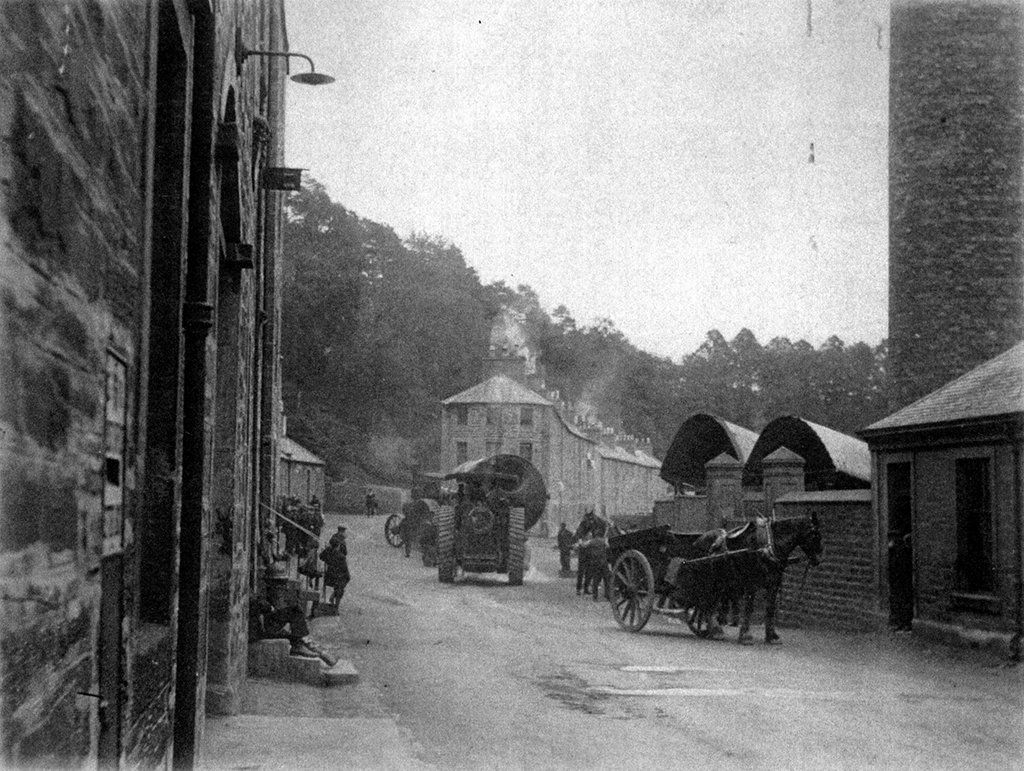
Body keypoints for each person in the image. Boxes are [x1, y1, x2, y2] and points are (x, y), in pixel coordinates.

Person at [249, 565, 333, 663]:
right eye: (277, 583)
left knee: (294, 634)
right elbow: (260, 605)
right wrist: (268, 607)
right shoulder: (264, 592)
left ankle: (314, 649)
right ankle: (300, 646)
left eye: (282, 583)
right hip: (260, 630)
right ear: (269, 581)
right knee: (295, 610)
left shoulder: (271, 592)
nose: (280, 586)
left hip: (265, 626)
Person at [320, 530, 350, 608]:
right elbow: (345, 570)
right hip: (338, 578)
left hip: (329, 576)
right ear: (338, 546)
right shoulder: (341, 556)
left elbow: (321, 556)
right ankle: (335, 600)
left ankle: (334, 595)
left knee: (340, 583)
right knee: (344, 581)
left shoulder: (328, 553)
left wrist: (327, 549)